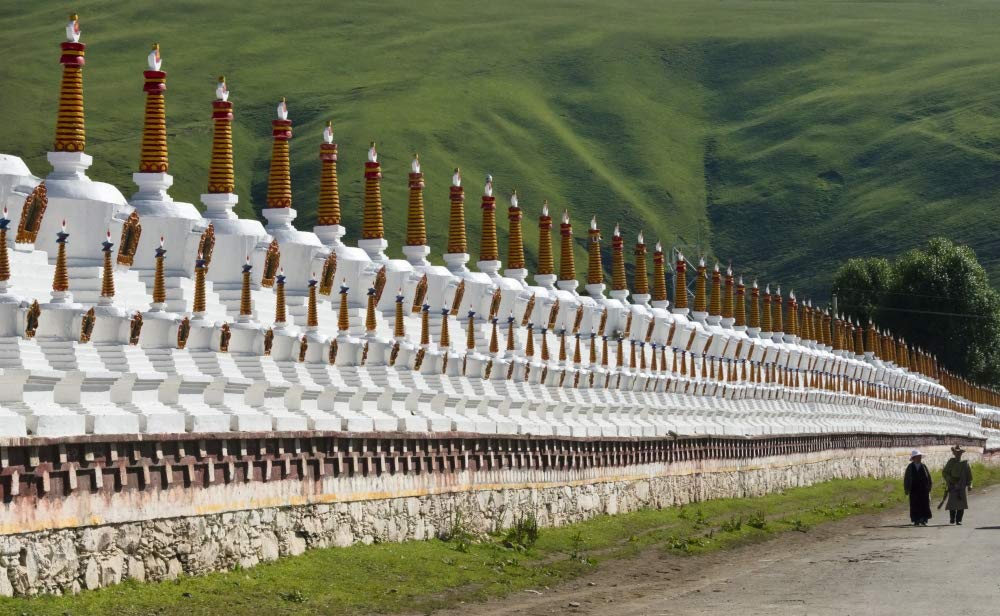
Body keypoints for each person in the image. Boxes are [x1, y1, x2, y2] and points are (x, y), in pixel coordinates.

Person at [942, 445, 973, 525]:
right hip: (952, 485)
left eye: (959, 452)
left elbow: (969, 475)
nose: (958, 454)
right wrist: (949, 479)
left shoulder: (965, 463)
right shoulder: (951, 462)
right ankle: (952, 518)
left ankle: (959, 520)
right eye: (956, 452)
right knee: (952, 503)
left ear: (961, 453)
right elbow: (945, 472)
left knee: (961, 504)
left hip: (962, 486)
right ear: (954, 453)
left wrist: (970, 484)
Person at [903, 450, 932, 526]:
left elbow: (928, 477)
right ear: (913, 458)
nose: (919, 459)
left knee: (924, 504)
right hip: (914, 489)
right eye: (917, 457)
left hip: (923, 489)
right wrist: (906, 489)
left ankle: (923, 519)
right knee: (914, 504)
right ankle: (916, 520)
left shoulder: (924, 466)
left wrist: (929, 487)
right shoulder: (910, 467)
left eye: (920, 457)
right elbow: (906, 478)